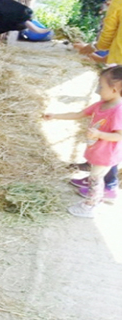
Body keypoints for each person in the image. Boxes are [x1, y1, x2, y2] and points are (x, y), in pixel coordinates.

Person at [44, 65, 122, 217]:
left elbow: (119, 136)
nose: (97, 90)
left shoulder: (118, 111)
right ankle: (94, 201)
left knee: (96, 178)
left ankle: (91, 205)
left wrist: (100, 134)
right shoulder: (100, 105)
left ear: (114, 89)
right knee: (95, 177)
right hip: (98, 150)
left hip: (107, 153)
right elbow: (79, 114)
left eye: (101, 86)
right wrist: (55, 116)